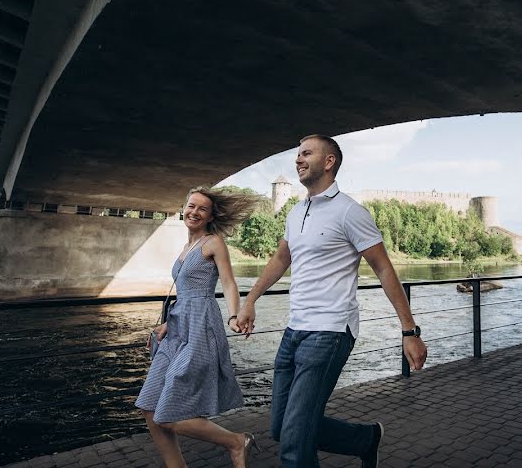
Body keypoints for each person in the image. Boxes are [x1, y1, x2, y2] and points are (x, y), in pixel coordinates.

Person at [237, 134, 428, 467]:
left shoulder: (350, 212)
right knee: (283, 428)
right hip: (294, 330)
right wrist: (250, 299)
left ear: (329, 162)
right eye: (297, 154)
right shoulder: (296, 212)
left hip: (330, 331)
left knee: (295, 445)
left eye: (306, 153)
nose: (298, 160)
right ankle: (366, 440)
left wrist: (409, 331)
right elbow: (281, 258)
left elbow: (383, 268)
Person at [136, 186, 260, 468]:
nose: (194, 212)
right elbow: (184, 293)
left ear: (209, 216)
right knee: (148, 408)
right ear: (184, 208)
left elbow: (228, 282)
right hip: (177, 329)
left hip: (201, 330)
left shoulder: (213, 242)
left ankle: (237, 442)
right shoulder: (184, 249)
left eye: (201, 209)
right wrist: (167, 324)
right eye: (191, 206)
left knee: (169, 415)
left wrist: (233, 315)